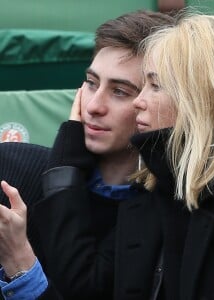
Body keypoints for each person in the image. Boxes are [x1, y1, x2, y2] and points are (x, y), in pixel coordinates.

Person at [2, 10, 214, 300]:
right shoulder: (152, 189)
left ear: (198, 99)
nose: (140, 102)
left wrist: (22, 267)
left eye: (149, 86)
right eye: (91, 83)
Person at [0, 10, 174, 300]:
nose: (94, 105)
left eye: (119, 91)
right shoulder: (12, 167)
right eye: (92, 83)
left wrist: (20, 263)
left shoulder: (163, 216)